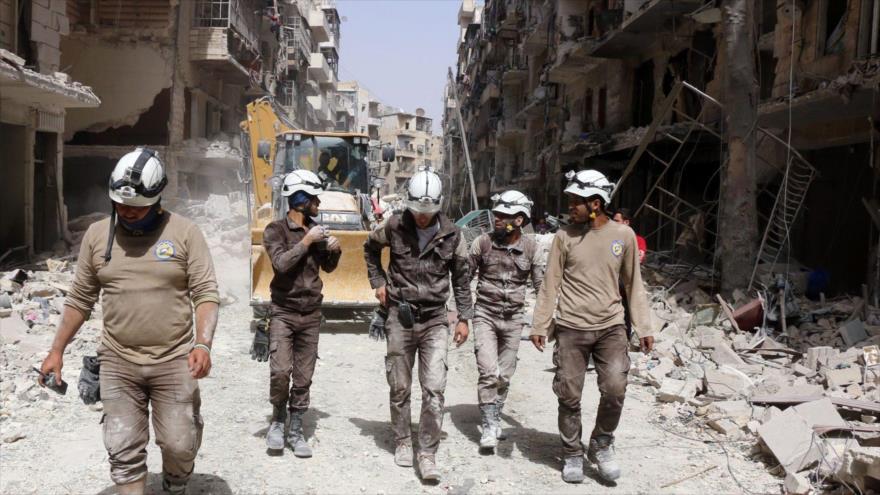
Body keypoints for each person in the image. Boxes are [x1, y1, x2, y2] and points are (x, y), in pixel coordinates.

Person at [38, 147, 220, 495]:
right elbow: (80, 299)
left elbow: (206, 293)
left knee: (179, 444)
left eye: (136, 207)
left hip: (173, 359)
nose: (127, 212)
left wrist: (202, 343)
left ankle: (176, 482)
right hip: (118, 361)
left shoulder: (185, 233)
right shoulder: (96, 236)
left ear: (156, 198)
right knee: (122, 448)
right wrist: (56, 351)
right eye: (120, 206)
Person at [530, 169, 654, 484]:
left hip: (611, 326)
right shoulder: (563, 237)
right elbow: (550, 284)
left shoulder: (623, 236)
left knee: (615, 387)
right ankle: (572, 451)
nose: (570, 206)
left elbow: (633, 284)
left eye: (576, 201)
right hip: (571, 327)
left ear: (595, 203)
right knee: (569, 394)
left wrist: (643, 326)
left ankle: (601, 442)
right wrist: (540, 324)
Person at [363, 167, 473, 481]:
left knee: (435, 389)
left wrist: (464, 317)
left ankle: (426, 452)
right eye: (418, 212)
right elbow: (370, 249)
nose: (422, 218)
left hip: (436, 318)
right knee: (399, 385)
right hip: (400, 315)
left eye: (428, 213)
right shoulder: (395, 225)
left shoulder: (453, 234)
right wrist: (378, 282)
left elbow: (462, 279)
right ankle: (401, 440)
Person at [253, 169, 341, 457]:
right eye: (314, 197)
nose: (318, 203)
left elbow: (327, 268)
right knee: (280, 371)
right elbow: (280, 264)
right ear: (300, 198)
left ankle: (296, 428)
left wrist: (334, 251)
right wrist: (306, 241)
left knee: (303, 376)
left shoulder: (316, 230)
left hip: (311, 314)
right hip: (283, 312)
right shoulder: (275, 230)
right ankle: (277, 421)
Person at [468, 190, 544, 452]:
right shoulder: (482, 243)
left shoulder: (532, 247)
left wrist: (541, 324)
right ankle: (489, 425)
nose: (497, 220)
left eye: (504, 216)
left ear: (520, 220)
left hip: (514, 319)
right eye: (497, 214)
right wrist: (460, 315)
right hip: (485, 315)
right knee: (488, 371)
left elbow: (541, 287)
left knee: (505, 375)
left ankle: (496, 415)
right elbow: (462, 279)